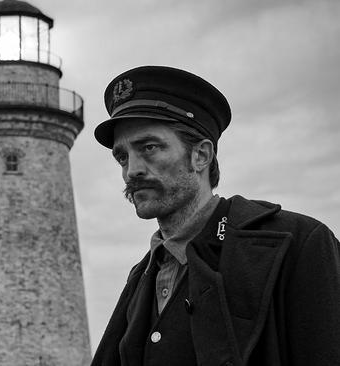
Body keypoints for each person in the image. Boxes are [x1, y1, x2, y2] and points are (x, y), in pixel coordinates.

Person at [90, 66, 340, 366]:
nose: (132, 170)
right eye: (122, 156)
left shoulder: (297, 243)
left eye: (149, 147)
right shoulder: (141, 275)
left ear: (201, 155)